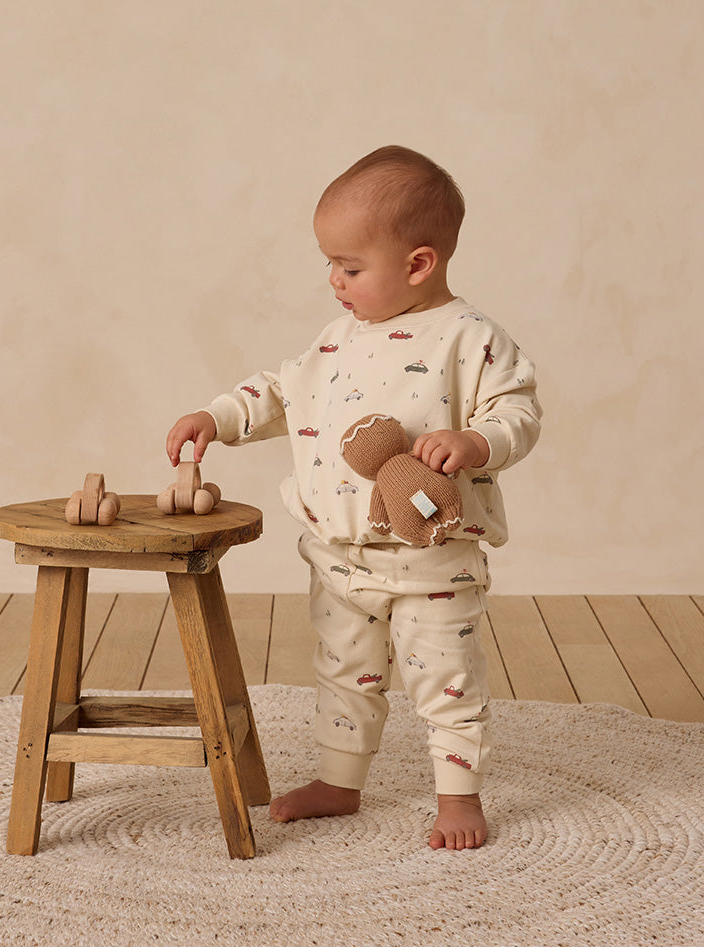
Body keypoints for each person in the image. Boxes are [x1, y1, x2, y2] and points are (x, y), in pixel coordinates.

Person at [166, 146, 542, 850]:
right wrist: (217, 416)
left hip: (431, 559)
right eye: (330, 264)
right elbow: (281, 391)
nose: (333, 281)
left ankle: (458, 796)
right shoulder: (338, 340)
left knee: (447, 678)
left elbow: (518, 412)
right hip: (340, 555)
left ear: (418, 264)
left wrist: (476, 442)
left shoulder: (471, 339)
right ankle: (339, 781)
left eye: (350, 267)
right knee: (343, 672)